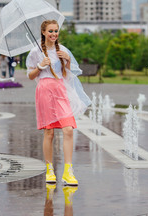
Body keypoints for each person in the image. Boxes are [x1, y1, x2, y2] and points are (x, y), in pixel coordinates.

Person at [26, 20, 91, 186]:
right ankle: (49, 169)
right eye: (50, 31)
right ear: (43, 32)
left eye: (56, 31)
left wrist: (67, 60)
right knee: (49, 132)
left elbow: (66, 75)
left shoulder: (62, 50)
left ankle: (68, 172)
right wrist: (40, 66)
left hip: (60, 90)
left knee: (68, 129)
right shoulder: (36, 51)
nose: (54, 34)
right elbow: (31, 76)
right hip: (44, 90)